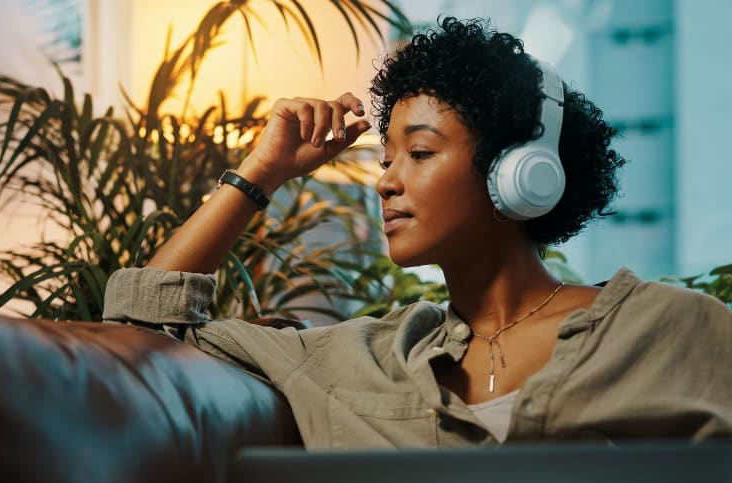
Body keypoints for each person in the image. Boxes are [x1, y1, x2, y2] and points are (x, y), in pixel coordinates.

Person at [103, 17, 731, 448]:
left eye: (421, 154)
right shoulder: (358, 359)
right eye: (385, 161)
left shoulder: (672, 329)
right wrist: (259, 173)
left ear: (522, 172)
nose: (385, 184)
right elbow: (137, 332)